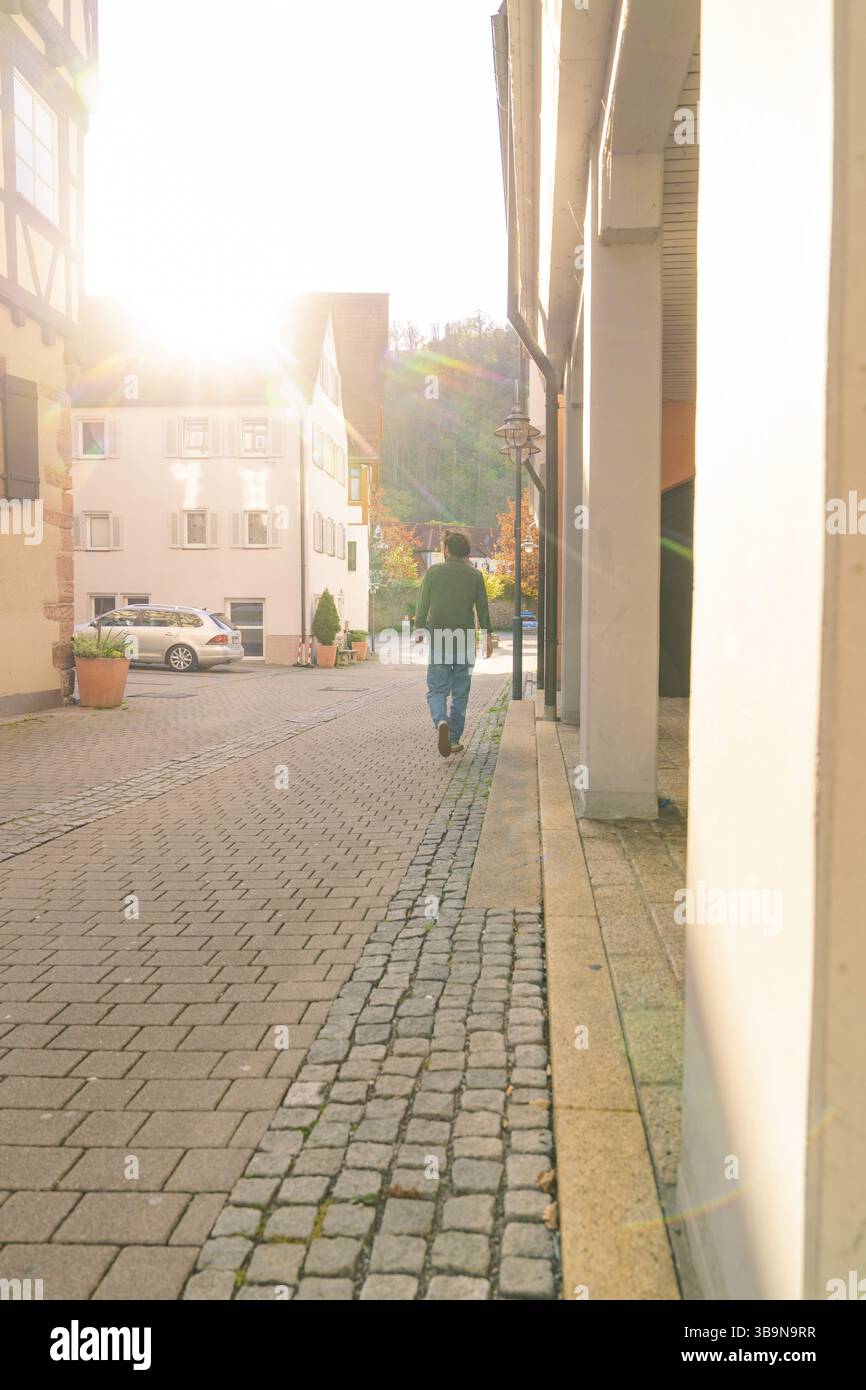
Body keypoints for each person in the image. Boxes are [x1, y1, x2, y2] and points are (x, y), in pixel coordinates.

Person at [414, 530, 494, 757]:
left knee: (436, 691)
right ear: (466, 551)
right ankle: (454, 738)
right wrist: (488, 636)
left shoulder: (433, 573)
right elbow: (483, 609)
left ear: (446, 550)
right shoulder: (474, 576)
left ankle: (441, 722)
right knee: (460, 694)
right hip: (465, 642)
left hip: (440, 640)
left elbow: (422, 605)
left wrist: (419, 629)